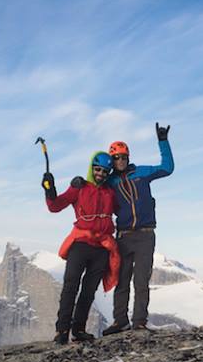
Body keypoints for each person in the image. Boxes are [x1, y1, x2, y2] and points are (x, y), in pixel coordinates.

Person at [102, 123, 174, 334]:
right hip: (123, 236)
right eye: (116, 158)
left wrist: (163, 141)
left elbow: (167, 168)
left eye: (123, 157)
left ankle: (139, 322)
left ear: (128, 157)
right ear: (112, 160)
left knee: (141, 280)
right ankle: (120, 321)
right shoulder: (109, 181)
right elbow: (93, 186)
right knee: (122, 280)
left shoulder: (142, 172)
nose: (121, 161)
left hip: (145, 235)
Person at [43, 151, 120, 344]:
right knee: (71, 286)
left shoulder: (110, 192)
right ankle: (62, 331)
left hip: (101, 247)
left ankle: (78, 330)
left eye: (105, 171)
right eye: (98, 169)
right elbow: (55, 206)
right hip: (80, 245)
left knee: (88, 291)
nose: (101, 174)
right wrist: (49, 189)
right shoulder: (79, 187)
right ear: (91, 169)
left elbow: (122, 209)